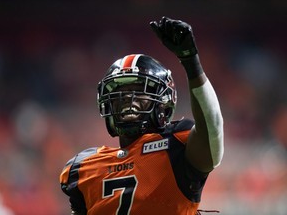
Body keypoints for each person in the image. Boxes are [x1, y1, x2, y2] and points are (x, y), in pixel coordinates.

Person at [59, 16, 224, 215]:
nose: (130, 102)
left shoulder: (177, 145)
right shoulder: (84, 167)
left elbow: (212, 129)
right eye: (121, 95)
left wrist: (191, 61)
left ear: (163, 103)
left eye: (139, 93)